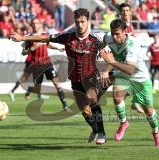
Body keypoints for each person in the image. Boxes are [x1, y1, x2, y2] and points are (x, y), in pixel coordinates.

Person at [10, 8, 106, 145]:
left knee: (91, 98)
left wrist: (108, 69)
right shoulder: (67, 37)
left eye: (82, 21)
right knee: (85, 111)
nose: (80, 25)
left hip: (91, 77)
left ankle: (102, 133)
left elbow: (111, 47)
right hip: (75, 79)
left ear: (87, 21)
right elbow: (45, 37)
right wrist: (22, 38)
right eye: (77, 22)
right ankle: (95, 129)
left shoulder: (96, 39)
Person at [100, 19, 159, 147]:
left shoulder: (132, 44)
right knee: (117, 96)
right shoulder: (109, 37)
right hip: (124, 77)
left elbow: (131, 69)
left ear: (125, 32)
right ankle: (124, 123)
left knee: (149, 111)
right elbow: (104, 42)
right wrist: (103, 62)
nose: (114, 37)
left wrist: (111, 62)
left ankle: (156, 133)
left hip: (140, 79)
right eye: (113, 33)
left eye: (117, 34)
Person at [9, 18, 71, 112]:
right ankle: (29, 91)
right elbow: (23, 52)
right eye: (33, 23)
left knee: (57, 83)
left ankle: (65, 106)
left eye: (36, 23)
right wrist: (32, 48)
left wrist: (58, 48)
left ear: (39, 25)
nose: (35, 25)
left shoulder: (44, 35)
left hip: (47, 63)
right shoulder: (28, 37)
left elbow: (48, 45)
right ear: (31, 25)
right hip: (36, 65)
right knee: (37, 86)